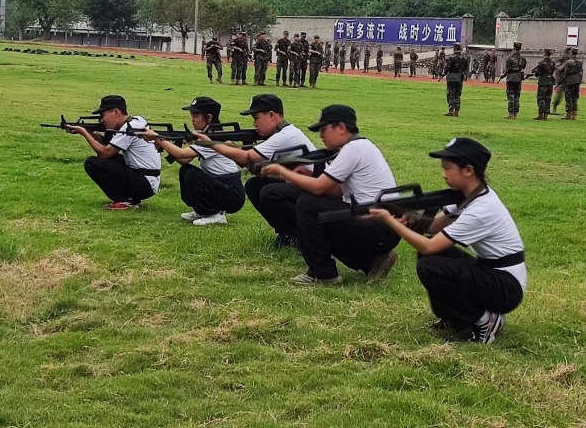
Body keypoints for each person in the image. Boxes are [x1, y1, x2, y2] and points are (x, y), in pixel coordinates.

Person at [365, 137, 525, 343]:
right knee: (430, 258)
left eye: (448, 168)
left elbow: (430, 246)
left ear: (468, 170)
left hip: (505, 288)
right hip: (491, 273)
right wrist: (407, 217)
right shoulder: (469, 197)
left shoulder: (481, 208)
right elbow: (434, 227)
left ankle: (486, 320)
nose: (443, 173)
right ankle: (454, 317)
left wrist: (388, 220)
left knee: (430, 264)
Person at [258, 105, 400, 285]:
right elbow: (336, 191)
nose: (321, 135)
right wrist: (305, 177)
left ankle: (323, 273)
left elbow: (319, 188)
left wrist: (283, 171)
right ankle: (372, 262)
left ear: (341, 127)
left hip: (377, 224)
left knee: (307, 204)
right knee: (315, 212)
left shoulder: (353, 149)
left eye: (324, 129)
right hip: (381, 225)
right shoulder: (360, 146)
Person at [196, 94, 317, 249]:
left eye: (256, 118)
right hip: (303, 186)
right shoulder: (283, 134)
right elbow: (259, 169)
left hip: (313, 191)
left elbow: (247, 157)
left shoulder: (284, 136)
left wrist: (211, 143)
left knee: (270, 192)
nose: (254, 124)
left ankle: (302, 235)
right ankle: (287, 233)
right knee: (254, 185)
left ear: (271, 115)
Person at [139, 97, 244, 225]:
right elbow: (184, 160)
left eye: (196, 115)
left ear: (209, 117)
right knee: (186, 170)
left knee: (192, 175)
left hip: (231, 191)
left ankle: (215, 214)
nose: (192, 119)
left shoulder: (212, 138)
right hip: (222, 185)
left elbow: (181, 153)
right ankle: (202, 211)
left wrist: (158, 138)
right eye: (191, 114)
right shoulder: (207, 135)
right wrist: (163, 145)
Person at [70, 95, 161, 210]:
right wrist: (91, 134)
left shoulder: (129, 127)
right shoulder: (136, 121)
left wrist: (84, 132)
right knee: (106, 160)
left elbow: (105, 152)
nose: (102, 120)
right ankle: (130, 198)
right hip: (146, 179)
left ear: (116, 112)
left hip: (144, 183)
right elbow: (108, 146)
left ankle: (125, 200)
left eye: (103, 115)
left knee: (92, 163)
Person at [501, 42, 527, 119]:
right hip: (518, 78)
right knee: (517, 96)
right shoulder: (523, 58)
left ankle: (511, 113)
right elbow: (524, 67)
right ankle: (515, 113)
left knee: (511, 95)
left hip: (511, 78)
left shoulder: (510, 57)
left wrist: (503, 75)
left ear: (514, 47)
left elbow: (507, 68)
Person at [529, 49, 557, 120]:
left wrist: (535, 73)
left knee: (541, 98)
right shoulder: (553, 63)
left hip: (543, 81)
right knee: (548, 98)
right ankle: (546, 115)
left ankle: (541, 114)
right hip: (550, 81)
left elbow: (538, 73)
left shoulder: (541, 63)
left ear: (544, 54)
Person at [443, 43, 469, 117]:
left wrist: (444, 73)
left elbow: (447, 67)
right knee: (457, 95)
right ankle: (456, 111)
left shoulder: (451, 58)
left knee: (450, 94)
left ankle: (451, 110)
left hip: (451, 76)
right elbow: (465, 68)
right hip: (459, 77)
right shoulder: (464, 58)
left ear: (454, 49)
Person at [560, 47, 584, 120]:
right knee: (575, 98)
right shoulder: (580, 62)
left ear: (571, 53)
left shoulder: (569, 62)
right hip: (577, 81)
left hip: (570, 81)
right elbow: (581, 72)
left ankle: (568, 114)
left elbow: (566, 72)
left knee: (568, 97)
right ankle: (574, 114)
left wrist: (562, 79)